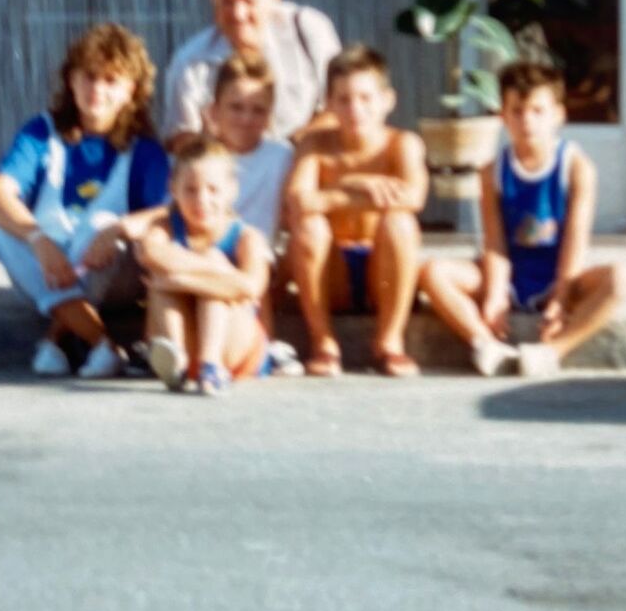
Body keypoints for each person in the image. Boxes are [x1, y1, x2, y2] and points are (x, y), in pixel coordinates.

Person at [0, 22, 170, 380]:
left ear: (132, 90)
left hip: (111, 270)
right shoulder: (43, 132)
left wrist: (121, 227)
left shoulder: (143, 149)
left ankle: (57, 337)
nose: (97, 89)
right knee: (3, 235)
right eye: (88, 77)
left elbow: (168, 208)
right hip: (48, 267)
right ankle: (103, 344)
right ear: (71, 80)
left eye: (111, 80)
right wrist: (38, 240)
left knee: (98, 223)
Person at [420, 61, 626, 379]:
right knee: (433, 272)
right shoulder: (492, 172)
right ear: (503, 116)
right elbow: (495, 241)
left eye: (537, 110)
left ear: (558, 115)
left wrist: (561, 297)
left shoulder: (576, 167)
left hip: (559, 275)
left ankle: (552, 352)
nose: (526, 120)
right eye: (517, 110)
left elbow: (575, 240)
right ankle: (486, 344)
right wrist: (495, 293)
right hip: (511, 273)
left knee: (620, 280)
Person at [285, 45, 427, 378]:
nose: (355, 109)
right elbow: (298, 202)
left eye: (365, 98)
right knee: (308, 228)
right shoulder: (315, 145)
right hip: (333, 271)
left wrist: (341, 190)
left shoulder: (401, 144)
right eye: (344, 100)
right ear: (329, 104)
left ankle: (390, 341)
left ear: (387, 100)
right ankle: (323, 342)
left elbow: (414, 197)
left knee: (400, 223)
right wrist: (356, 185)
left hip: (384, 267)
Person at [162, 0, 341, 148]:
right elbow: (181, 137)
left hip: (305, 158)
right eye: (227, 2)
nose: (238, 14)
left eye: (248, 1)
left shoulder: (308, 31)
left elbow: (338, 109)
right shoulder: (190, 62)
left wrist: (284, 154)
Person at [139, 139, 272, 397]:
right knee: (163, 277)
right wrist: (204, 273)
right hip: (186, 341)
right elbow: (149, 252)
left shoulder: (247, 237)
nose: (201, 200)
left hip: (235, 347)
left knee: (214, 261)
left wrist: (185, 279)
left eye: (213, 190)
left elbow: (251, 286)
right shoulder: (164, 227)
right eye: (190, 190)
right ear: (173, 189)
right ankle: (175, 359)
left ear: (232, 190)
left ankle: (211, 365)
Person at [203, 51, 293, 246]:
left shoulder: (282, 157)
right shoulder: (197, 160)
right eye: (236, 107)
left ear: (269, 116)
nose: (246, 119)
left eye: (258, 110)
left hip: (256, 259)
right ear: (215, 110)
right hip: (202, 254)